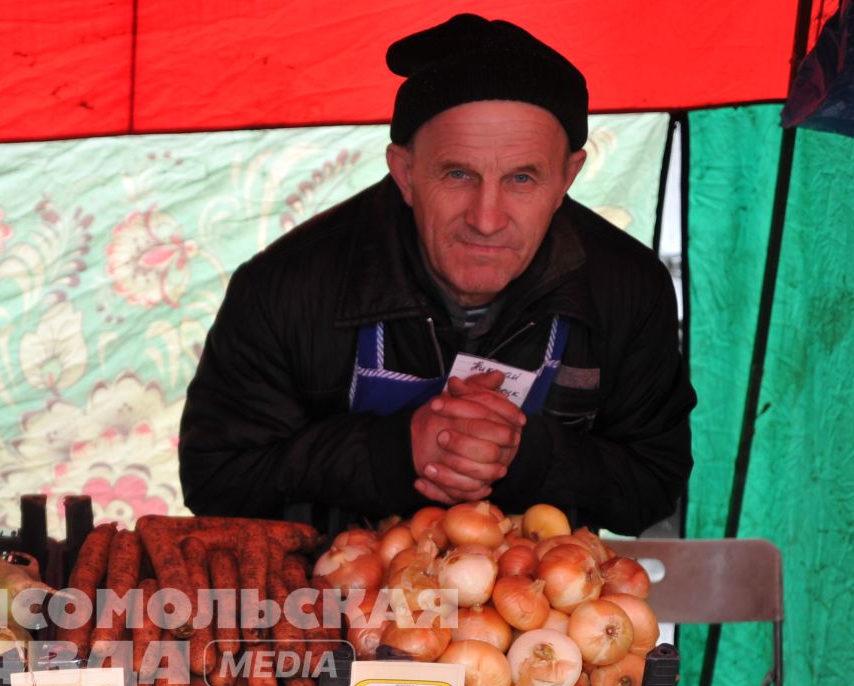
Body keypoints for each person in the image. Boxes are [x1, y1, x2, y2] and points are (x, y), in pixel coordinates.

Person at [177, 14, 694, 536]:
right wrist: (394, 452)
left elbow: (654, 481)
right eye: (457, 174)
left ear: (567, 177)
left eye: (521, 178)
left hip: (533, 610)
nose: (486, 219)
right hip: (333, 607)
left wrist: (523, 454)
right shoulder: (286, 288)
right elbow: (214, 479)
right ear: (405, 173)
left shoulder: (626, 287)